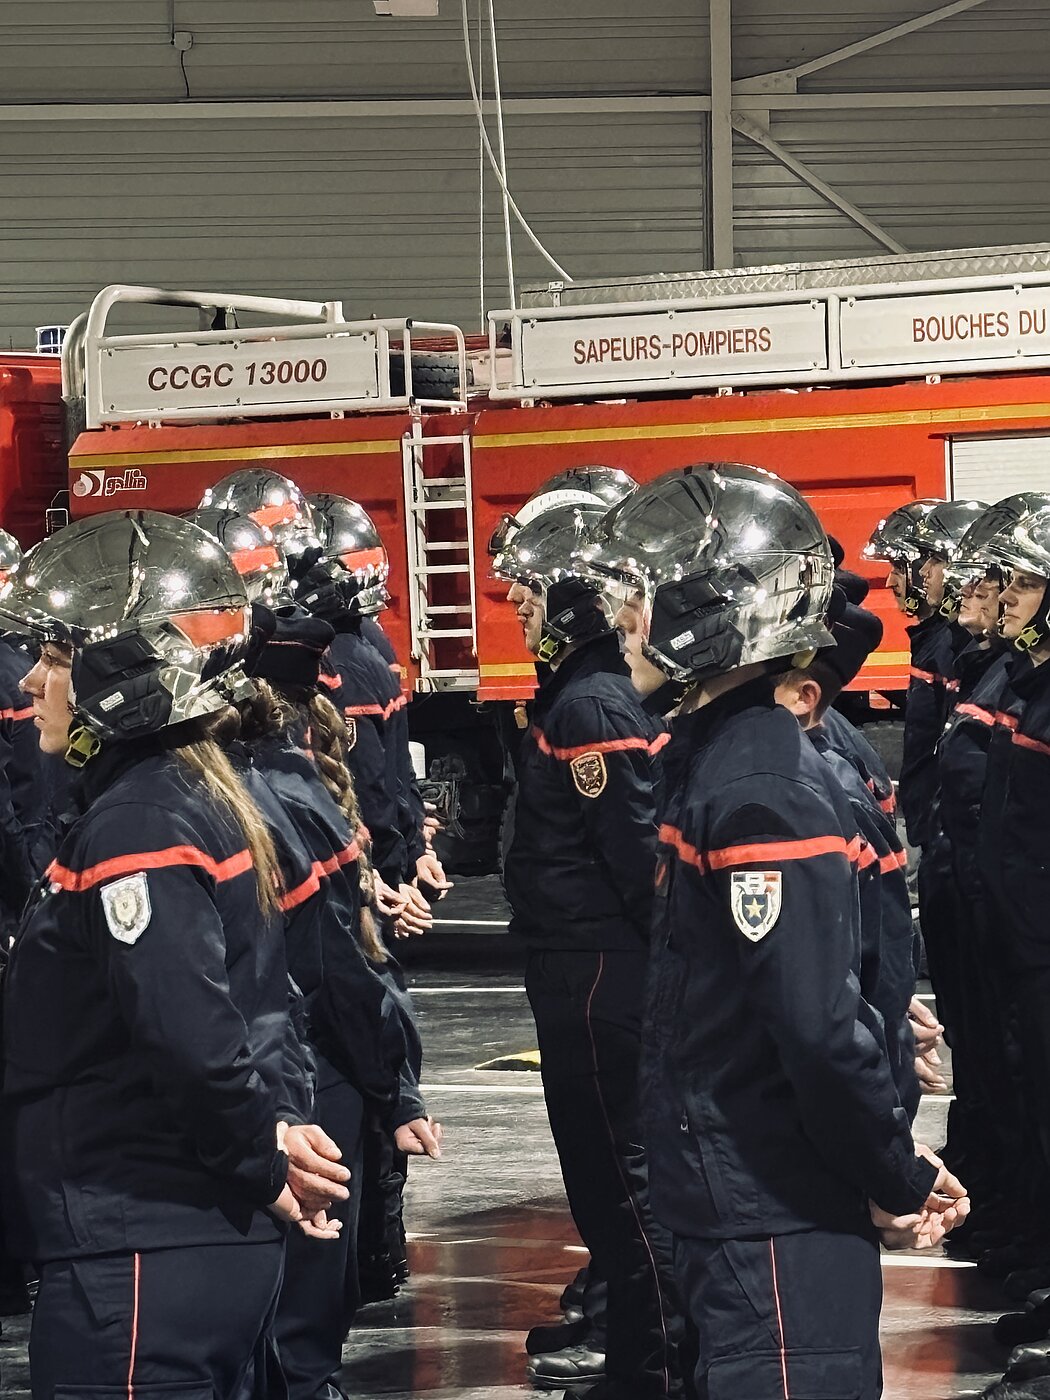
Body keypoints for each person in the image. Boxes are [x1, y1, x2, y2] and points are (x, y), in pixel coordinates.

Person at [591, 462, 967, 1400]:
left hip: (772, 1206)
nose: (624, 622)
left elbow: (814, 1026)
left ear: (708, 609)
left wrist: (893, 1167)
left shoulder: (758, 785)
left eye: (640, 597)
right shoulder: (725, 760)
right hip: (750, 1200)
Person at [0, 510, 349, 1400]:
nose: (34, 681)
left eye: (57, 658)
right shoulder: (188, 794)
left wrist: (257, 1160)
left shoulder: (140, 824)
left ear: (124, 674)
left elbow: (188, 1032)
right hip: (171, 1227)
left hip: (143, 1233)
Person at [491, 482, 686, 1400]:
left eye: (531, 594)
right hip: (583, 963)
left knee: (621, 1184)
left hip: (599, 970)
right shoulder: (579, 698)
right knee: (606, 1180)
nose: (521, 611)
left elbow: (635, 856)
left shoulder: (592, 708)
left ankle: (647, 1369)